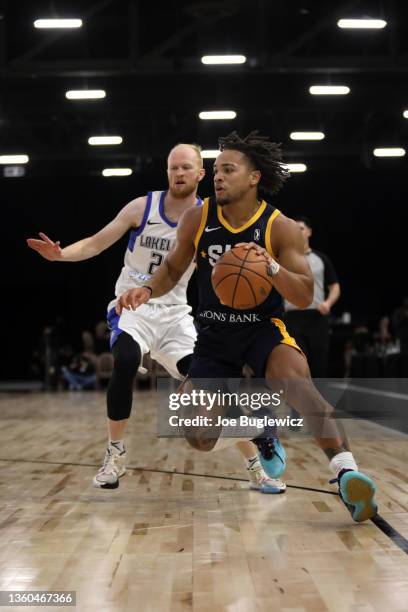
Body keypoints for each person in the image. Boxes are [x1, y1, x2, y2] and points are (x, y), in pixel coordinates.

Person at [117, 131, 378, 523]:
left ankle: (345, 473)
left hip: (263, 330)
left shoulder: (279, 226)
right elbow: (172, 268)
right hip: (214, 335)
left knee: (298, 386)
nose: (218, 177)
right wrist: (146, 289)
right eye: (216, 170)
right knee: (197, 434)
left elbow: (305, 294)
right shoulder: (198, 217)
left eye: (228, 170)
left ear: (254, 177)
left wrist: (270, 267)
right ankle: (261, 428)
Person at [27, 143, 286, 494]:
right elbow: (96, 243)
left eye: (186, 168)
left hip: (176, 315)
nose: (178, 173)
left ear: (199, 174)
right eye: (172, 167)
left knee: (211, 392)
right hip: (133, 307)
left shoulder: (208, 218)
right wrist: (60, 256)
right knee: (127, 359)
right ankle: (115, 454)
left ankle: (256, 465)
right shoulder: (141, 207)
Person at [284, 216, 340, 377]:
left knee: (319, 366)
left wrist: (328, 303)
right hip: (292, 318)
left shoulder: (321, 259)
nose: (297, 231)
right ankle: (296, 401)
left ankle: (317, 401)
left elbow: (335, 287)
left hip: (317, 317)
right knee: (297, 366)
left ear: (309, 232)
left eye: (300, 228)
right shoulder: (283, 259)